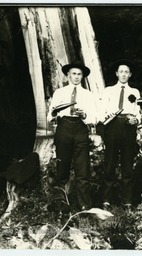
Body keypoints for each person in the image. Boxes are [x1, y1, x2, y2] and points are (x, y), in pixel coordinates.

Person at [47, 61, 97, 212]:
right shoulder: (59, 93)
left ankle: (84, 206)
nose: (76, 77)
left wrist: (85, 115)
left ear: (83, 76)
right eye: (73, 74)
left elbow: (93, 118)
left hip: (81, 129)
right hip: (64, 128)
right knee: (62, 168)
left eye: (79, 74)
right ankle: (61, 204)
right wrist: (55, 113)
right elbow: (50, 116)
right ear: (68, 75)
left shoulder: (88, 95)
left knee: (83, 169)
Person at [96, 59, 141, 209]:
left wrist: (136, 119)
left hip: (128, 127)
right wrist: (106, 121)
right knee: (110, 163)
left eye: (126, 72)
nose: (123, 74)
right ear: (117, 73)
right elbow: (102, 111)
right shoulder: (108, 90)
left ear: (130, 75)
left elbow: (138, 112)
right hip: (113, 126)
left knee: (127, 164)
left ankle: (127, 201)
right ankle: (106, 200)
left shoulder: (135, 92)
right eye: (121, 71)